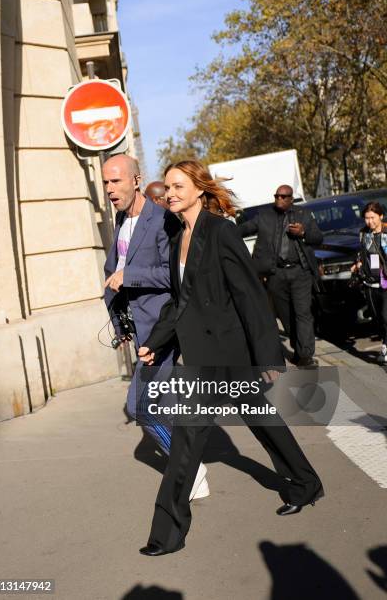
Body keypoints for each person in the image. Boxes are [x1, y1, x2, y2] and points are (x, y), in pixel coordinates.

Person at [138, 160, 323, 556]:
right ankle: (306, 484)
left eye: (177, 185)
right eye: (167, 187)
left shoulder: (221, 231)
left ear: (199, 188)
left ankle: (167, 533)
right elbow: (179, 304)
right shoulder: (176, 240)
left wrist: (268, 355)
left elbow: (250, 296)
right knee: (247, 426)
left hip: (231, 353)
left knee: (207, 436)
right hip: (203, 357)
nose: (169, 193)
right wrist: (156, 341)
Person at [103, 154, 209, 500]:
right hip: (141, 329)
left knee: (141, 407)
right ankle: (191, 466)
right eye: (105, 182)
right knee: (162, 404)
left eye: (116, 181)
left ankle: (189, 468)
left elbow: (172, 273)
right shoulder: (121, 220)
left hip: (163, 328)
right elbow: (114, 266)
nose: (109, 189)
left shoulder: (162, 219)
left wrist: (128, 277)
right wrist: (120, 320)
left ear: (136, 181)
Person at [238, 185, 323, 367]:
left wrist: (303, 233)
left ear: (291, 198)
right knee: (286, 315)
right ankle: (298, 345)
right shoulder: (265, 216)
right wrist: (223, 228)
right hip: (276, 273)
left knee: (303, 313)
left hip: (300, 271)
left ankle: (305, 354)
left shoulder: (303, 215)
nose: (279, 199)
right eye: (277, 196)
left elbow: (318, 238)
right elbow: (244, 229)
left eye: (284, 196)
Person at [351, 201, 387, 365]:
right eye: (366, 218)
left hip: (386, 282)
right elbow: (362, 253)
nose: (369, 222)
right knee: (378, 318)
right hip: (370, 283)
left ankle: (386, 347)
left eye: (372, 218)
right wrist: (357, 264)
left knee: (386, 317)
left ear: (381, 216)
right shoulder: (363, 233)